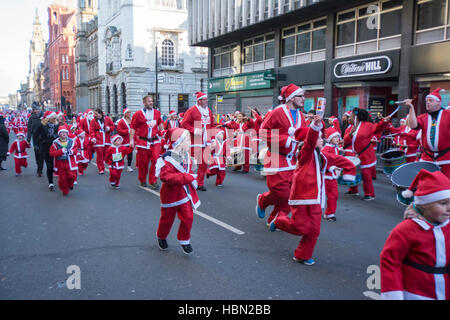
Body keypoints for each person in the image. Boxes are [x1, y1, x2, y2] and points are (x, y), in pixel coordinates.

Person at [268, 115, 356, 265]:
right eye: (320, 138)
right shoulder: (305, 154)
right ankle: (280, 219)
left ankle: (302, 254)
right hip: (302, 196)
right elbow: (309, 142)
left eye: (322, 137)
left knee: (314, 230)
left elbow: (340, 160)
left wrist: (349, 171)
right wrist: (315, 127)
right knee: (299, 227)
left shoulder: (322, 155)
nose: (323, 140)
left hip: (316, 198)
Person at [380, 169, 450, 300]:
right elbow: (390, 262)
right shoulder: (406, 230)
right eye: (443, 203)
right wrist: (393, 293)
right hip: (416, 293)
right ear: (424, 205)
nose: (449, 208)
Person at [256, 83, 308, 226]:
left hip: (292, 160)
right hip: (275, 156)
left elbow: (303, 136)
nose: (303, 99)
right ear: (291, 98)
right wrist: (285, 140)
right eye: (300, 96)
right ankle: (263, 200)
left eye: (304, 96)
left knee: (291, 196)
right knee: (281, 193)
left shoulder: (302, 117)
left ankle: (275, 219)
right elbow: (262, 132)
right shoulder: (277, 112)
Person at [155, 128, 201, 255]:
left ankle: (184, 240)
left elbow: (191, 172)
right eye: (187, 140)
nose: (190, 143)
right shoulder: (168, 158)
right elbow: (165, 177)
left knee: (188, 217)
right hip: (170, 195)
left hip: (184, 193)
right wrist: (185, 177)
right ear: (179, 143)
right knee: (167, 219)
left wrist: (193, 176)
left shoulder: (187, 157)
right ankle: (161, 236)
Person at [343, 108, 391, 200]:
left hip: (366, 154)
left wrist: (384, 121)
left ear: (356, 117)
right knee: (354, 172)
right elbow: (346, 140)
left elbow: (378, 127)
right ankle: (353, 189)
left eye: (352, 115)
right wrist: (350, 134)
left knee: (366, 175)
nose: (350, 117)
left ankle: (369, 194)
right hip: (354, 153)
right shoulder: (350, 127)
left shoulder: (367, 125)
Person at [405, 88, 450, 178]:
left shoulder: (447, 114)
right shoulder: (423, 117)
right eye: (426, 101)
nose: (428, 102)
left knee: (446, 185)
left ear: (438, 102)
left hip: (446, 158)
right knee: (426, 183)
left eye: (431, 100)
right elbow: (413, 125)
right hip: (427, 157)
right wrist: (411, 108)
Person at [181, 91, 216, 191]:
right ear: (199, 101)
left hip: (206, 141)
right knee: (192, 162)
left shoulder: (208, 111)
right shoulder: (192, 110)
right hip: (194, 141)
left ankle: (200, 183)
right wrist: (195, 130)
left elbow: (212, 125)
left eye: (206, 99)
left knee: (203, 163)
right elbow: (184, 124)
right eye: (205, 100)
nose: (207, 101)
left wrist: (213, 139)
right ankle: (188, 181)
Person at [130, 95, 164, 189]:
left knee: (156, 161)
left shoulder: (157, 113)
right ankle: (142, 179)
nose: (151, 103)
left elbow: (160, 125)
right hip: (143, 142)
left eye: (152, 101)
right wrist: (131, 140)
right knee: (143, 163)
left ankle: (153, 181)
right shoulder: (138, 114)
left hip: (155, 141)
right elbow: (132, 128)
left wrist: (163, 136)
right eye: (149, 101)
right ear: (144, 103)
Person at [33, 111, 60, 191]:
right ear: (49, 118)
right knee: (49, 165)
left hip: (56, 147)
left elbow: (61, 133)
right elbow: (35, 135)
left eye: (56, 118)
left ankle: (65, 180)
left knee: (61, 164)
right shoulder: (42, 125)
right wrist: (36, 145)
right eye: (53, 118)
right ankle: (50, 182)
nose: (55, 119)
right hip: (45, 147)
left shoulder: (56, 125)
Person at [49, 126, 79, 196]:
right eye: (62, 132)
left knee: (72, 175)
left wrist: (71, 151)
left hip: (69, 162)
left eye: (65, 132)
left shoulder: (71, 142)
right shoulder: (55, 143)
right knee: (62, 178)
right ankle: (65, 190)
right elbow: (51, 153)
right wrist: (60, 151)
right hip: (60, 162)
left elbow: (75, 149)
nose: (64, 134)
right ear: (59, 134)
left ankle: (70, 184)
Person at [89, 108, 115, 175]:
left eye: (96, 114)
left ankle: (105, 163)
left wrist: (109, 128)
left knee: (106, 154)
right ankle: (101, 168)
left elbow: (113, 126)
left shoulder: (107, 119)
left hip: (106, 139)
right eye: (95, 114)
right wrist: (93, 137)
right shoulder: (93, 121)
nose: (95, 115)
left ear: (100, 114)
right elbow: (91, 130)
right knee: (100, 155)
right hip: (98, 140)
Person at [27, 107, 43, 176]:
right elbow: (29, 129)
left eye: (38, 109)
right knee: (37, 153)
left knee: (41, 154)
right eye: (36, 109)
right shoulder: (31, 118)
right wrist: (28, 139)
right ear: (33, 111)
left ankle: (40, 170)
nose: (37, 110)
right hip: (35, 138)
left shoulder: (43, 117)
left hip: (43, 138)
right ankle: (38, 166)